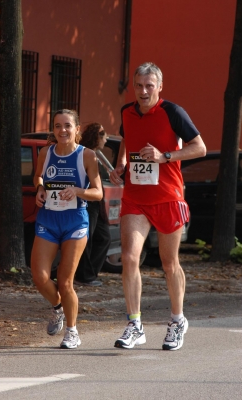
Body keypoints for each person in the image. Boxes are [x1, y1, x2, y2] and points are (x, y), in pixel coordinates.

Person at [110, 62, 206, 351]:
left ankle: (177, 321)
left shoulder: (173, 112)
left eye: (149, 85)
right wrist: (121, 166)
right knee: (128, 258)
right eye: (139, 85)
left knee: (168, 263)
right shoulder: (127, 112)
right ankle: (135, 324)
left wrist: (166, 156)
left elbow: (199, 147)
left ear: (159, 87)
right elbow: (127, 143)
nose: (143, 91)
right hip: (136, 198)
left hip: (168, 196)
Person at [31, 109, 103, 349]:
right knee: (40, 277)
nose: (62, 130)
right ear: (53, 129)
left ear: (77, 129)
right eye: (58, 126)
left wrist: (78, 191)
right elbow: (38, 177)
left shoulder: (87, 156)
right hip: (48, 219)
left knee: (65, 281)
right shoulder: (45, 152)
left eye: (67, 126)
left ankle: (72, 331)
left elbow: (98, 192)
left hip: (75, 221)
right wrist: (40, 189)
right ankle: (58, 308)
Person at [74, 123, 111, 286]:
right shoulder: (86, 154)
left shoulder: (96, 154)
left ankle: (89, 273)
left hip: (97, 204)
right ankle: (84, 276)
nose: (107, 138)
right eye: (104, 134)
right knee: (86, 240)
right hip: (87, 202)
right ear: (96, 136)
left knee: (104, 238)